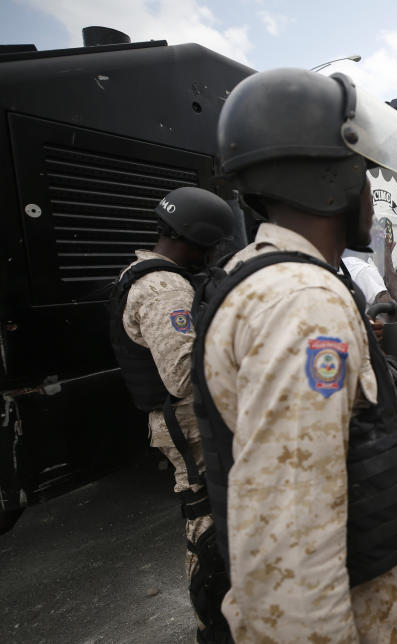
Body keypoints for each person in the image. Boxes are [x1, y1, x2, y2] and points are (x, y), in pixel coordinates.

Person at [195, 68, 397, 642]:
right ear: (332, 180)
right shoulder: (304, 305)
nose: (371, 198)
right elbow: (291, 547)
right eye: (364, 175)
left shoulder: (261, 276)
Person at [109, 186, 235, 643]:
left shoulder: (149, 274)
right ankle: (215, 625)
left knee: (221, 520)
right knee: (207, 526)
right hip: (188, 426)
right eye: (212, 243)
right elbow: (184, 374)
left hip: (190, 424)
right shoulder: (164, 287)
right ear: (195, 237)